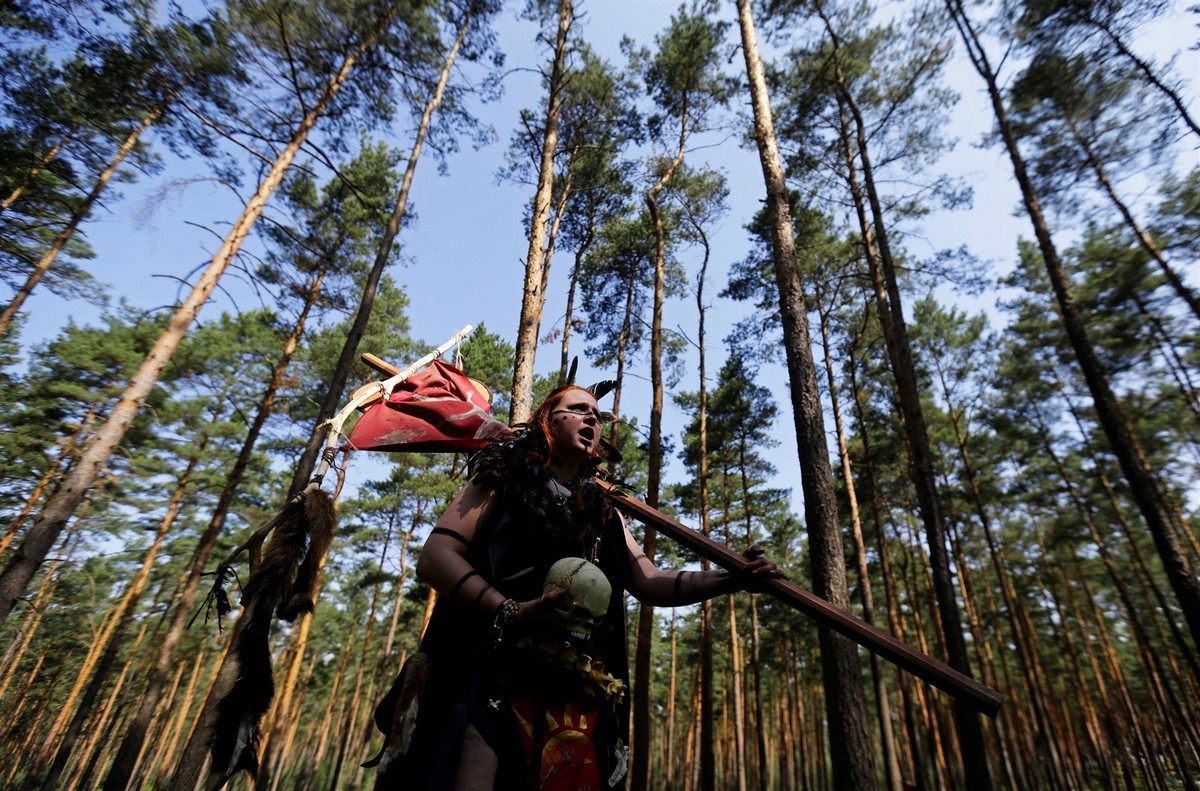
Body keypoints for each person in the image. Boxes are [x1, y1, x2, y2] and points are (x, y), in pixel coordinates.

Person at [380, 383, 781, 791]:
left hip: (570, 692)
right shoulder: (502, 477)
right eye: (578, 409)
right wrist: (510, 611)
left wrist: (731, 579)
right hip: (491, 670)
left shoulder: (605, 511)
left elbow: (651, 581)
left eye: (597, 414)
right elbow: (436, 556)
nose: (594, 418)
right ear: (545, 422)